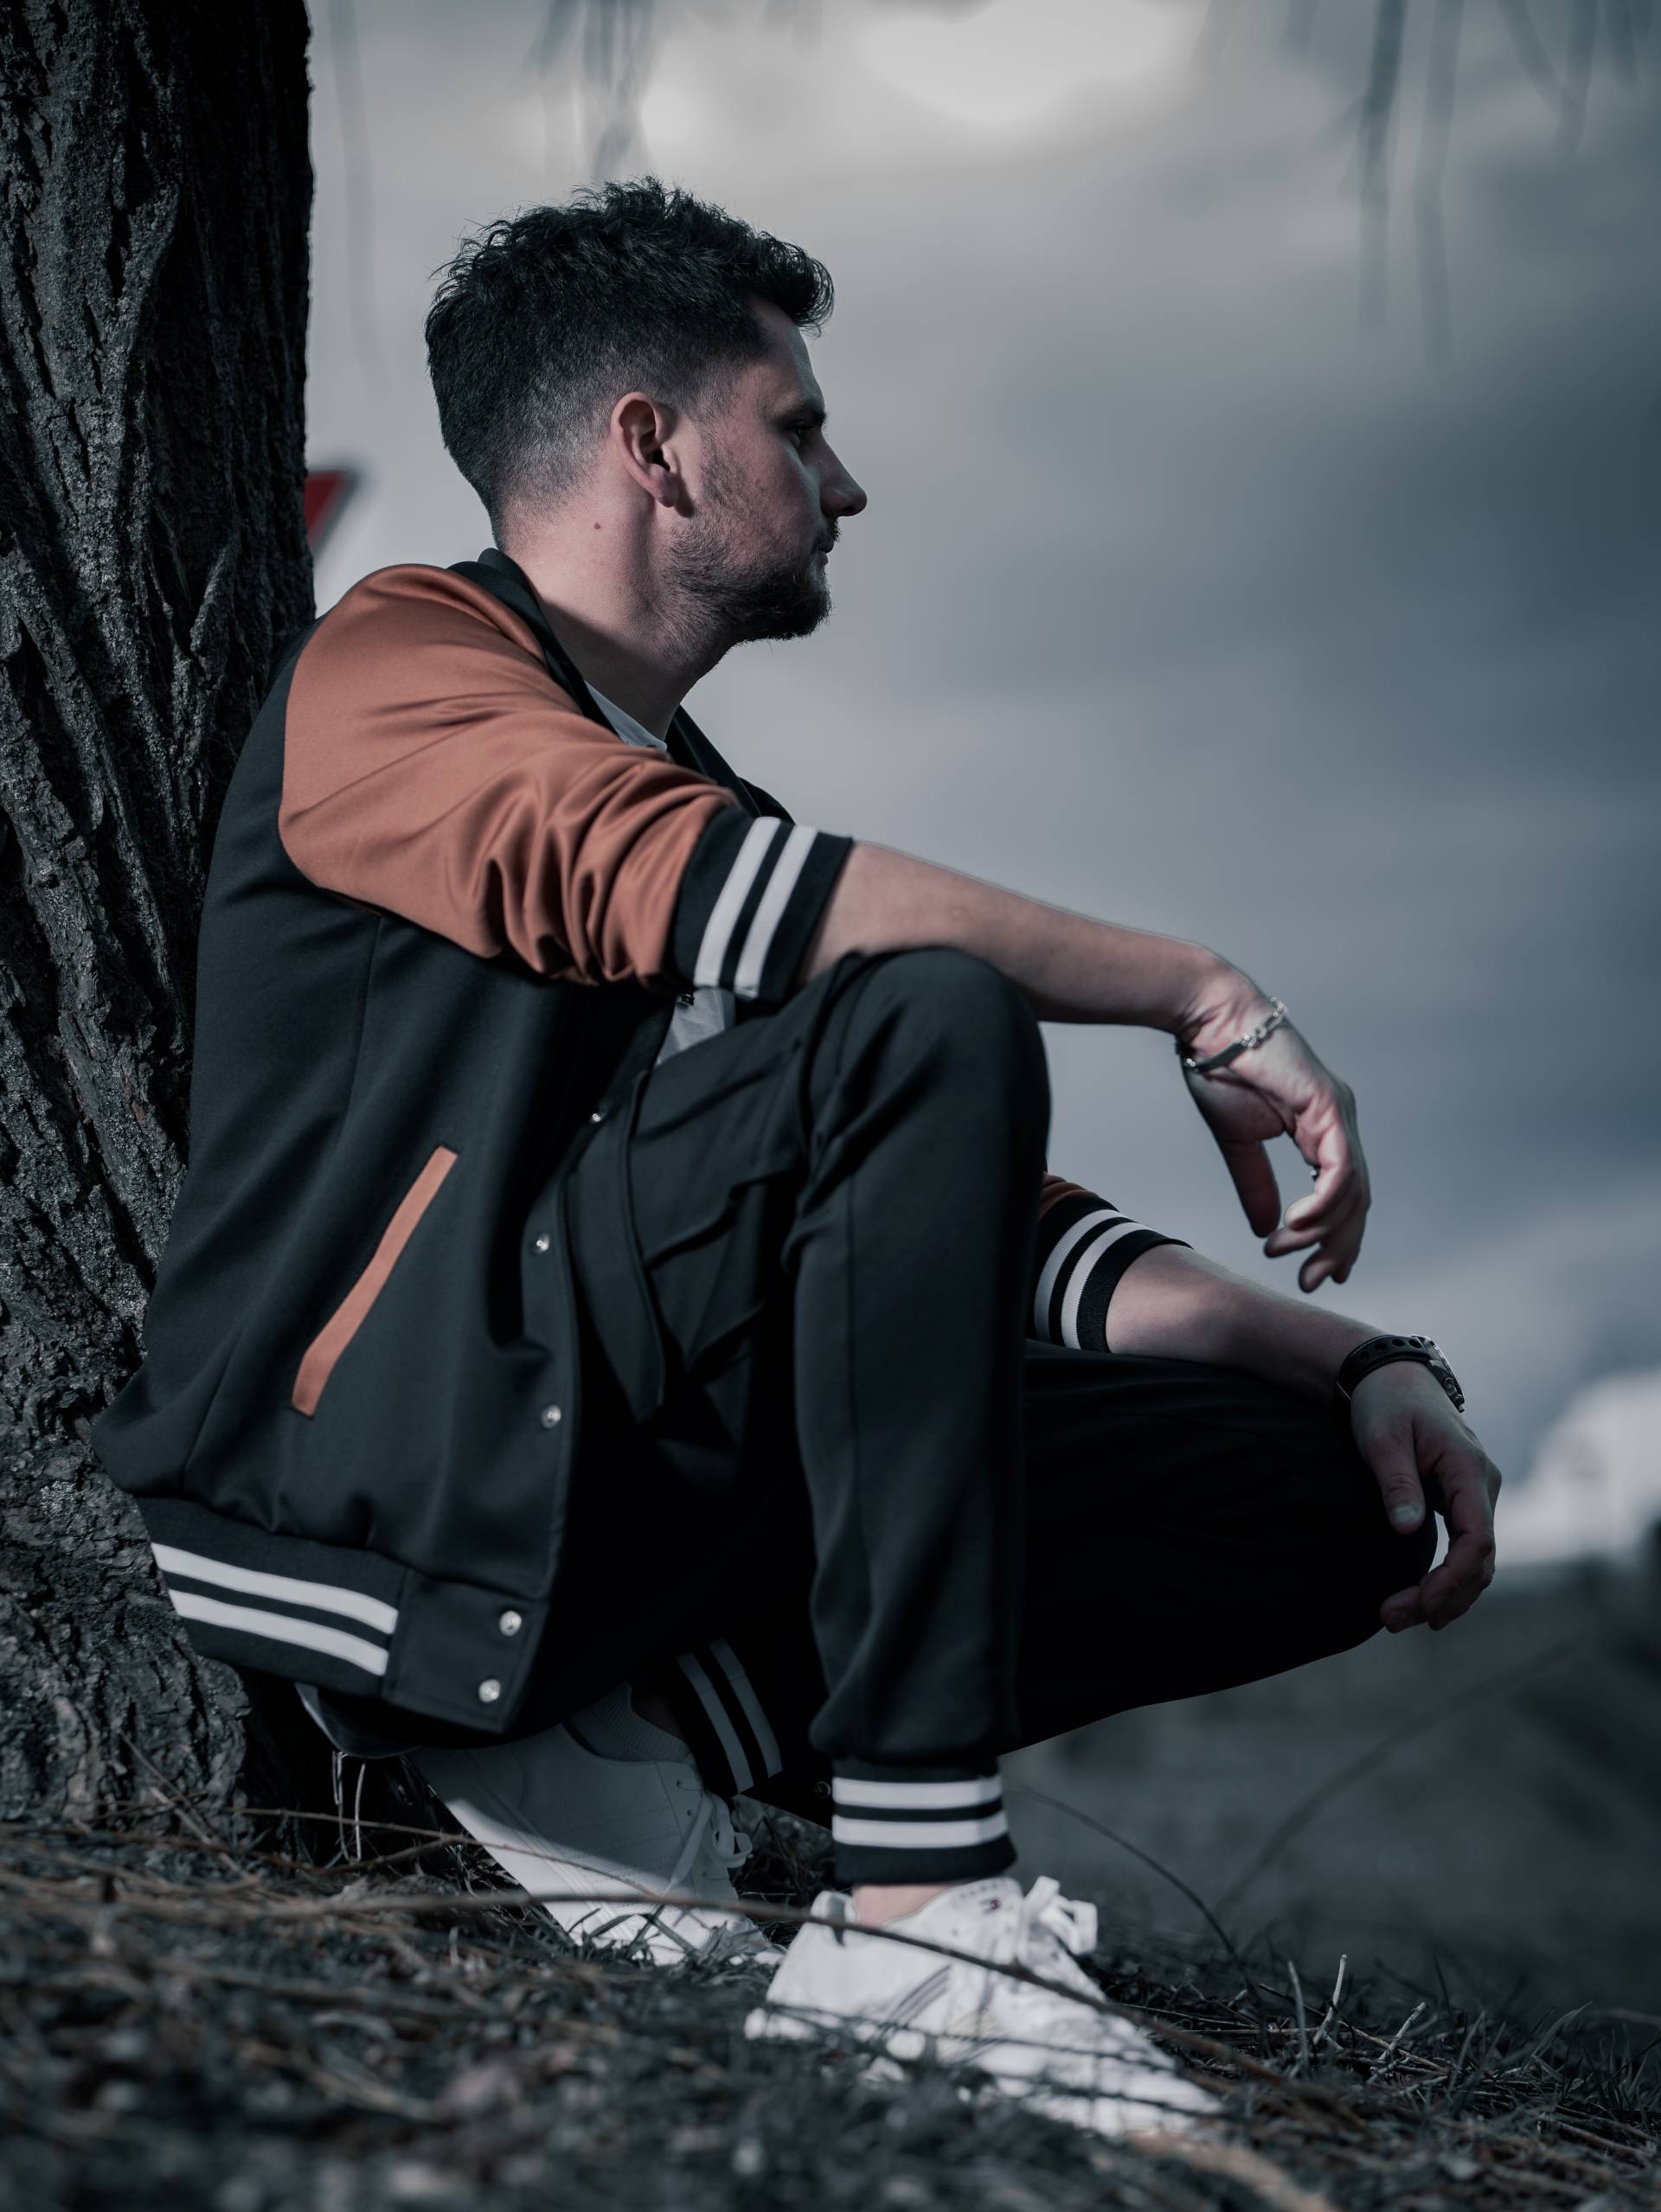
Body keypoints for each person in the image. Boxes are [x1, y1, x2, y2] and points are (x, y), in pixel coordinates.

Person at [90, 178, 1502, 2143]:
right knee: (925, 1014)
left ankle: (639, 1736)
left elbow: (979, 1218)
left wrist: (1360, 1363)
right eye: (801, 425)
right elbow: (735, 915)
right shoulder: (401, 660)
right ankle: (920, 1918)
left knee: (1331, 1494)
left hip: (591, 1483)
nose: (846, 487)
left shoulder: (697, 793)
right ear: (655, 447)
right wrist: (1197, 990)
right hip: (377, 1479)